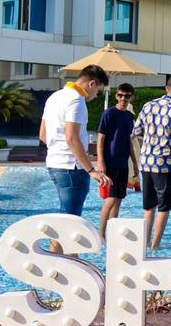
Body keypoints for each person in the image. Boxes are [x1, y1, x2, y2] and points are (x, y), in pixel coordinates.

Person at [39, 65, 110, 252]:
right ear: (92, 83)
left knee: (67, 217)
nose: (95, 95)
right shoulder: (76, 100)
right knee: (70, 222)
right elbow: (72, 138)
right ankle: (59, 265)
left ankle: (68, 261)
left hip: (54, 164)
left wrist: (58, 149)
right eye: (98, 90)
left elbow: (43, 135)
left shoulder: (54, 97)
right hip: (72, 167)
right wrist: (91, 170)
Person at [132, 74, 171, 249]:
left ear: (166, 88)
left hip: (146, 162)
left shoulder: (148, 106)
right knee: (164, 208)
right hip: (164, 165)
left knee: (148, 206)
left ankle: (143, 245)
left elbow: (136, 130)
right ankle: (154, 246)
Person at [95, 83, 140, 238]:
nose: (123, 99)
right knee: (110, 198)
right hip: (110, 163)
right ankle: (100, 233)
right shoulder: (108, 114)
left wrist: (134, 162)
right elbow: (101, 138)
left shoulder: (129, 116)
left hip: (123, 163)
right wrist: (101, 161)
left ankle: (112, 232)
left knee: (119, 199)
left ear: (131, 97)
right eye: (120, 95)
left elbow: (129, 142)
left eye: (127, 96)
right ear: (116, 96)